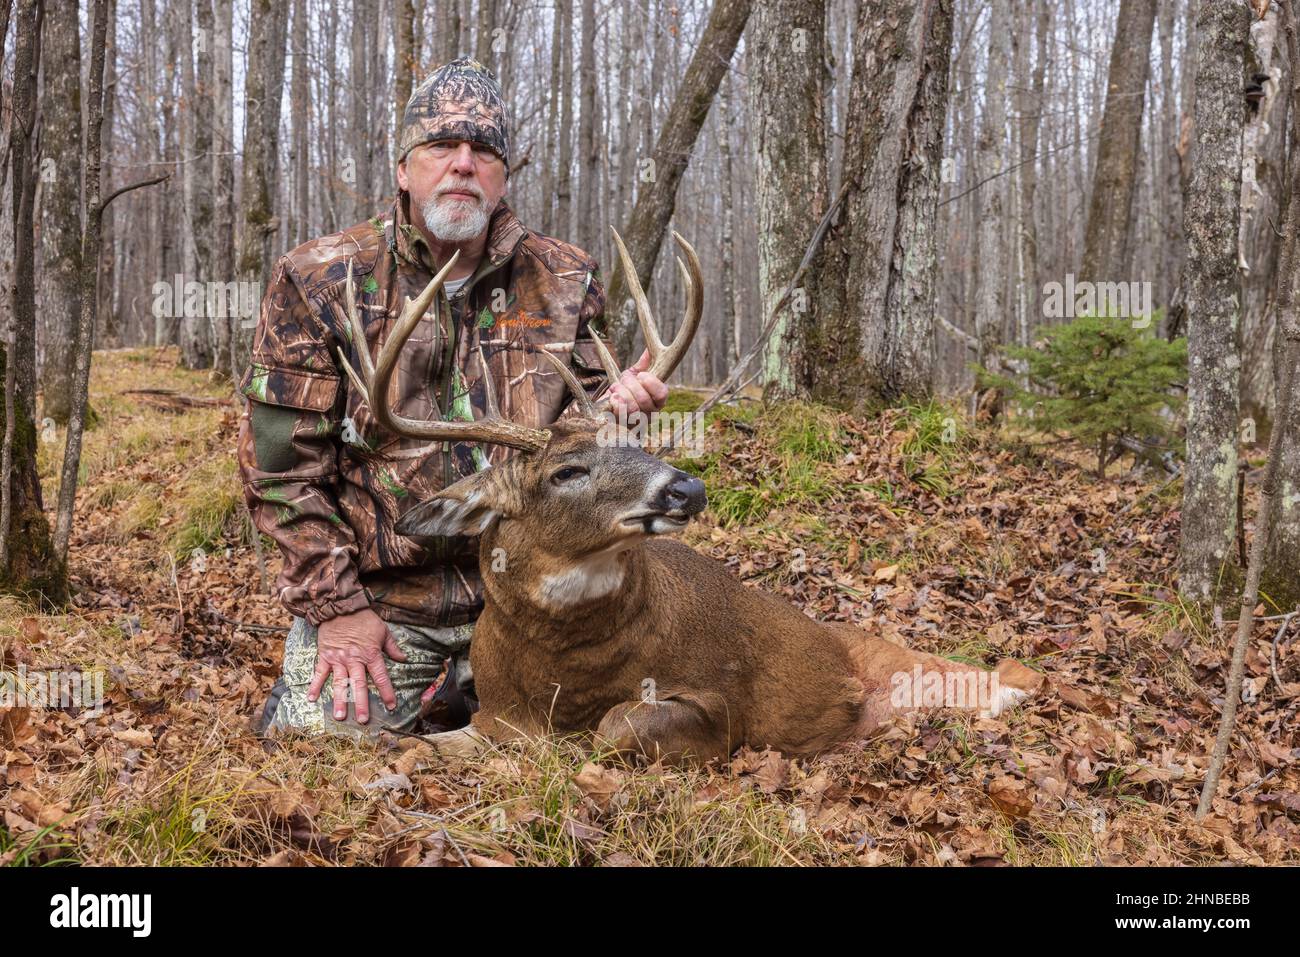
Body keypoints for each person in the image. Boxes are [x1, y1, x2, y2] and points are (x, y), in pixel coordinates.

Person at [237, 57, 667, 740]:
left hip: (534, 595)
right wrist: (338, 609)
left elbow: (587, 455)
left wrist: (621, 416)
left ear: (502, 177)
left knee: (609, 734)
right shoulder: (318, 279)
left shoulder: (564, 278)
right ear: (404, 168)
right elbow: (280, 473)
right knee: (318, 744)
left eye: (484, 151)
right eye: (442, 146)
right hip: (386, 602)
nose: (464, 164)